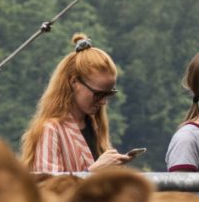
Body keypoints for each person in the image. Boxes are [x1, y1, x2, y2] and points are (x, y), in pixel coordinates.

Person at [20, 34, 132, 175]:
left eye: (108, 94)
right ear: (74, 83)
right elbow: (48, 189)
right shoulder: (50, 130)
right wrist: (91, 172)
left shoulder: (95, 126)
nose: (103, 102)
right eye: (98, 94)